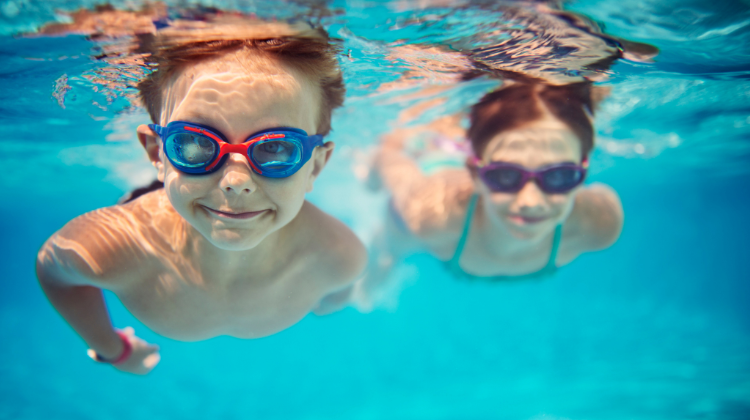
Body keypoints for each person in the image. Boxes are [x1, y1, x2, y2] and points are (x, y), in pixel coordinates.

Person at [35, 13, 366, 375]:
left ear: (315, 167)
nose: (235, 181)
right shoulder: (111, 248)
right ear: (156, 153)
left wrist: (332, 297)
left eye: (276, 149)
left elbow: (338, 292)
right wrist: (112, 349)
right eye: (193, 142)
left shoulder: (339, 258)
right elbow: (54, 272)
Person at [354, 80, 623, 309]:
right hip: (436, 163)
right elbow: (388, 157)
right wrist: (371, 181)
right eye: (505, 176)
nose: (531, 201)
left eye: (559, 176)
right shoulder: (430, 214)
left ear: (582, 174)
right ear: (475, 175)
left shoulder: (599, 223)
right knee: (389, 251)